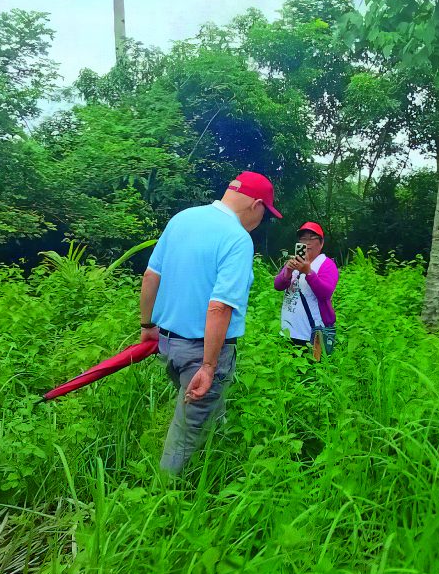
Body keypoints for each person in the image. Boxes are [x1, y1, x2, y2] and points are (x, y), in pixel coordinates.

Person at [138, 171, 280, 474]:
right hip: (202, 353)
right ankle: (161, 502)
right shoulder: (238, 239)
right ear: (256, 205)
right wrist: (208, 366)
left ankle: (220, 468)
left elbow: (151, 276)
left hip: (168, 344)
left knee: (209, 415)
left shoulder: (182, 219)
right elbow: (218, 307)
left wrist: (147, 326)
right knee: (184, 438)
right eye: (265, 215)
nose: (261, 222)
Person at [273, 221, 338, 357]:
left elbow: (325, 294)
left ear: (321, 243)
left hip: (312, 333)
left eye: (311, 238)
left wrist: (309, 273)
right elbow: (278, 286)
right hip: (288, 330)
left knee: (310, 375)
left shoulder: (326, 264)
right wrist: (287, 272)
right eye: (303, 239)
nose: (307, 242)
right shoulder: (294, 261)